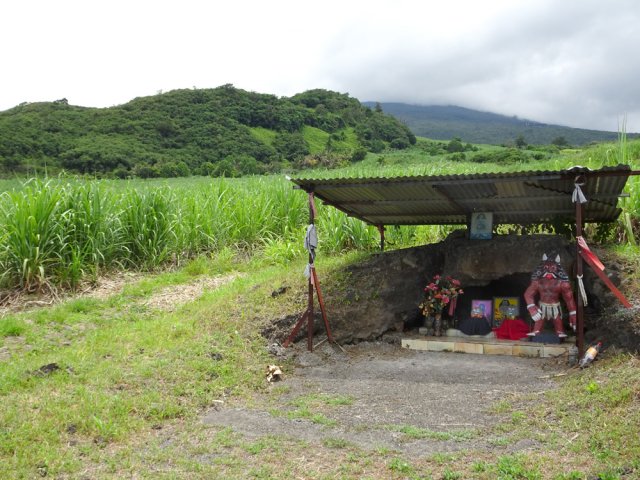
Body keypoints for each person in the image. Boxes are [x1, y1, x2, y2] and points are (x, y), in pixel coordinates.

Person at [524, 253, 576, 338]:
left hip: (555, 306)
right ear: (542, 268)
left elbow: (569, 299)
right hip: (542, 305)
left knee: (557, 319)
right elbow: (528, 294)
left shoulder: (563, 284)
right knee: (539, 318)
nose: (549, 271)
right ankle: (536, 330)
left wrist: (573, 313)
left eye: (552, 268)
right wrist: (531, 306)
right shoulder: (537, 282)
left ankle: (559, 331)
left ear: (557, 269)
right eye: (546, 268)